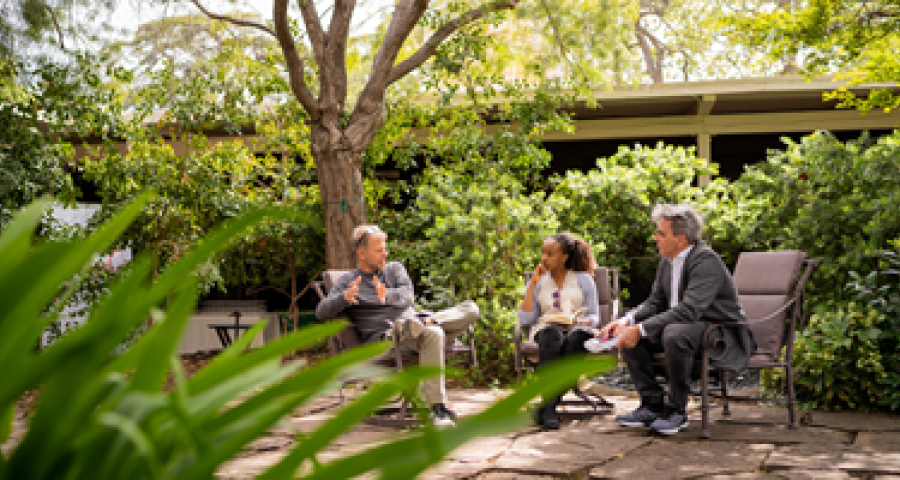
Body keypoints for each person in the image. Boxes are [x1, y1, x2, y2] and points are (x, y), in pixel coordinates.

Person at [598, 204, 755, 435]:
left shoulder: (706, 260)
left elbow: (690, 310)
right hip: (686, 328)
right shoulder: (667, 260)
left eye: (661, 233)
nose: (655, 238)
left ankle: (676, 411)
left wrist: (640, 329)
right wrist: (627, 321)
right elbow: (654, 302)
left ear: (681, 239)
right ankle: (651, 405)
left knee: (673, 332)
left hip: (720, 333)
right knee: (632, 333)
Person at [315, 225, 480, 427]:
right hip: (388, 336)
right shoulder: (348, 282)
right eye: (378, 250)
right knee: (434, 334)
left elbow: (408, 296)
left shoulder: (394, 269)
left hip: (417, 329)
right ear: (362, 253)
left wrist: (387, 296)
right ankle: (437, 411)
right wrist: (343, 298)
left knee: (471, 309)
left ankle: (423, 322)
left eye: (385, 249)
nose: (385, 254)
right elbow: (321, 312)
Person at [518, 232, 600, 430]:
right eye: (543, 253)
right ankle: (549, 407)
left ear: (564, 256)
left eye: (550, 253)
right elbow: (526, 319)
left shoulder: (584, 279)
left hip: (577, 328)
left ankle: (547, 407)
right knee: (551, 334)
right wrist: (533, 285)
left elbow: (595, 316)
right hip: (547, 330)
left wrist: (582, 323)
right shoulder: (539, 281)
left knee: (577, 337)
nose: (544, 258)